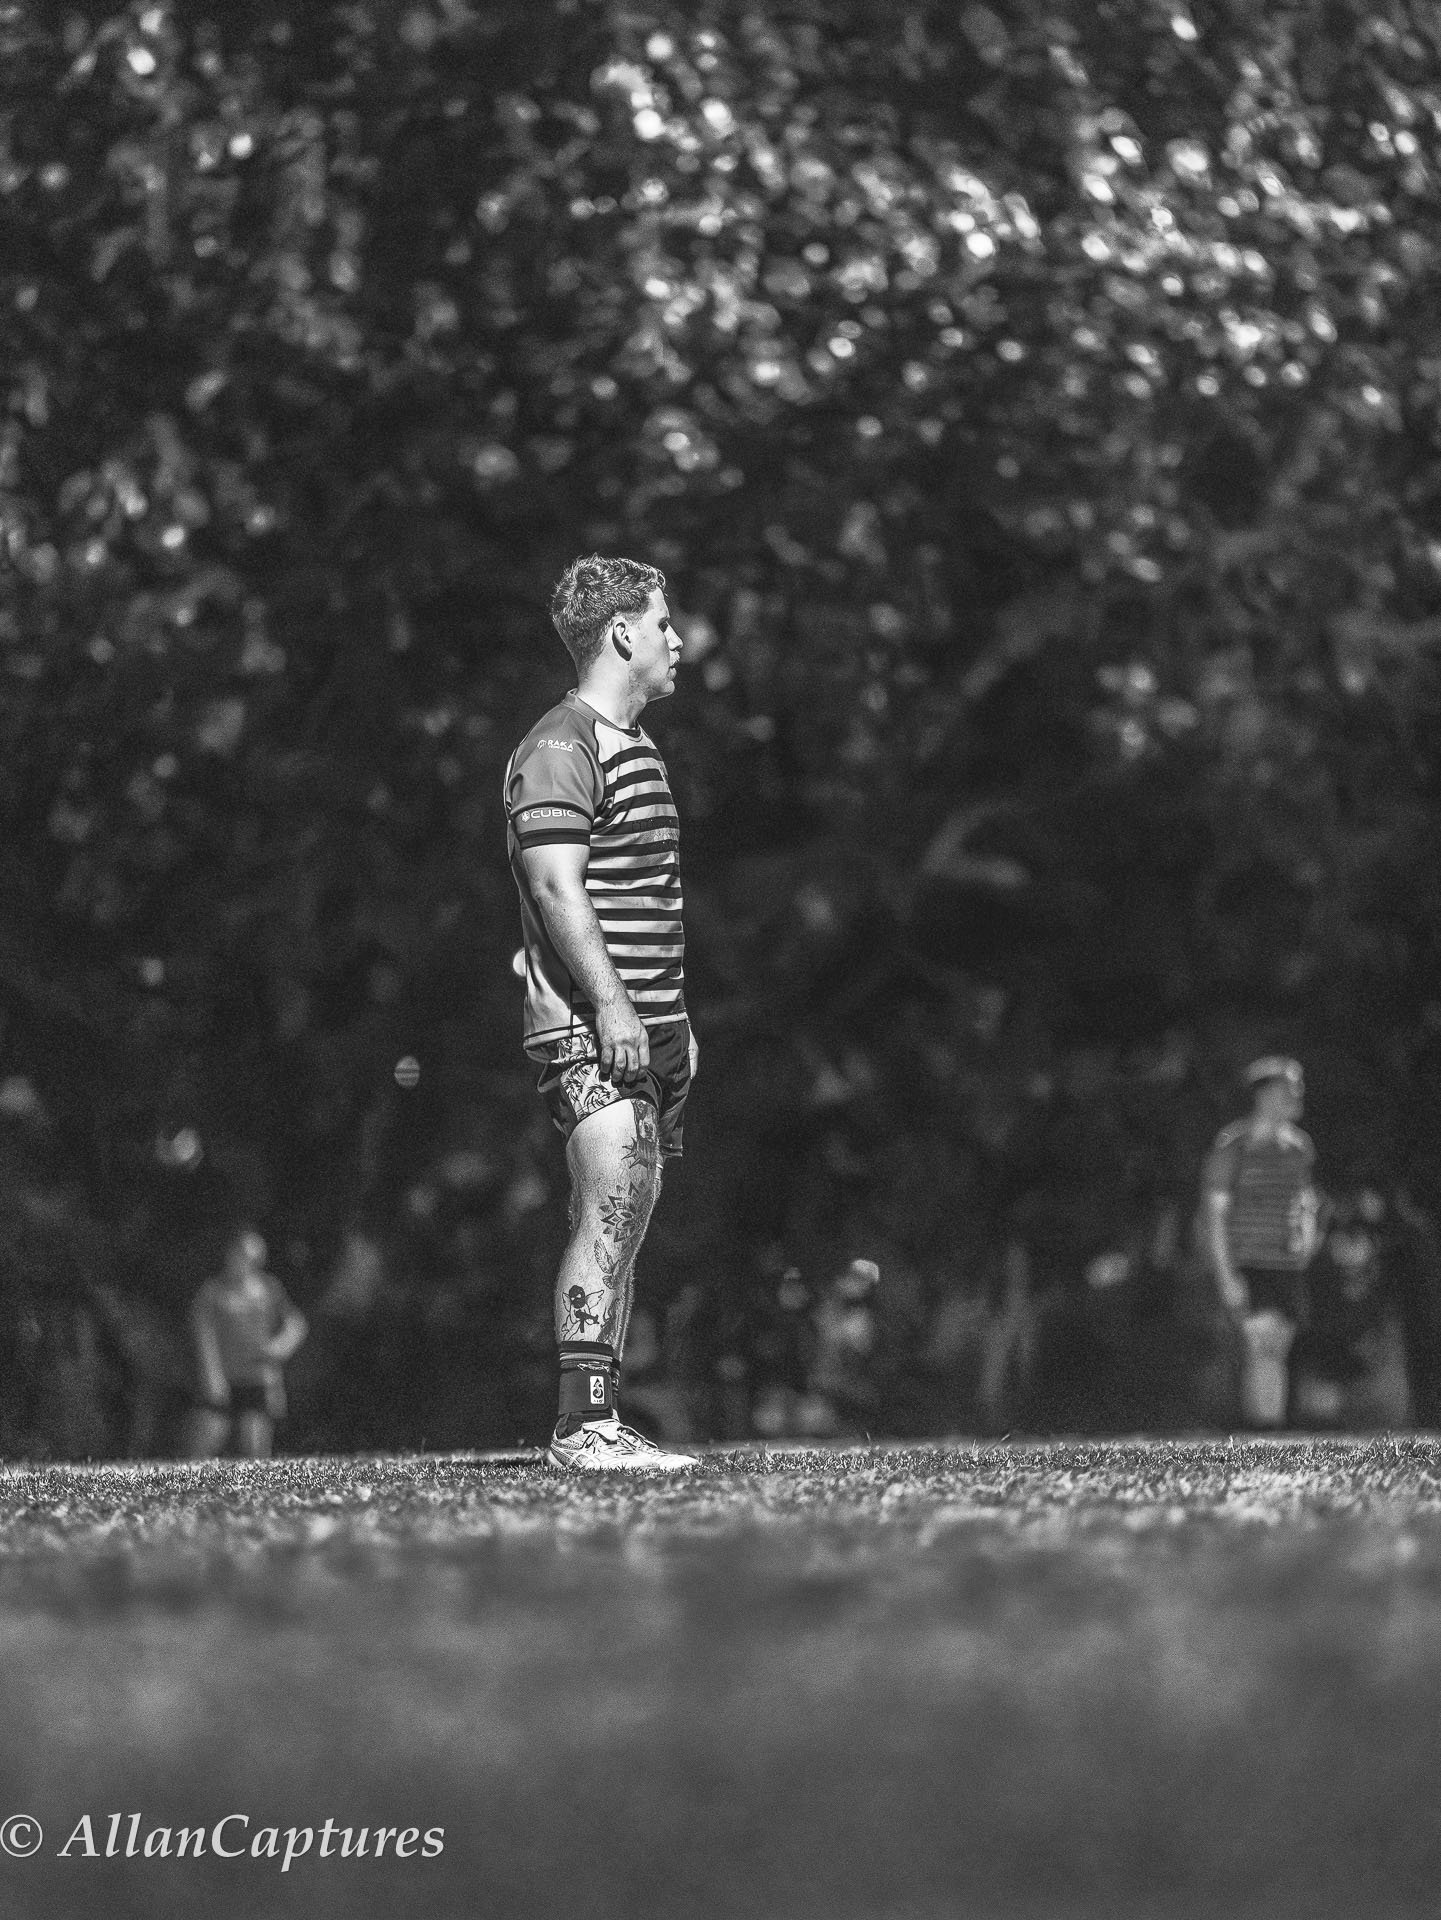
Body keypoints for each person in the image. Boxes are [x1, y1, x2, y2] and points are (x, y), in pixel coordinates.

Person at [505, 554, 698, 1472]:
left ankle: (600, 1419)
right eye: (664, 624)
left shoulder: (635, 748)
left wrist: (672, 1023)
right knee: (610, 1203)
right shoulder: (559, 744)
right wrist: (615, 1007)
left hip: (641, 1030)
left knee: (628, 1209)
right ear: (622, 632)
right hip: (588, 1026)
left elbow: (647, 900)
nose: (677, 640)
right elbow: (555, 888)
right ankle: (580, 1427)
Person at [1199, 1057, 1322, 1428]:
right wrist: (1226, 1276)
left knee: (1276, 1350)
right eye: (1290, 1088)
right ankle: (1266, 1431)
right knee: (1263, 1347)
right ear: (1265, 1095)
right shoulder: (1233, 1145)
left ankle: (1265, 1432)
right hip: (1247, 1262)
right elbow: (1214, 1214)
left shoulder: (1300, 1147)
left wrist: (1308, 1238)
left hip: (1287, 1265)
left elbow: (1305, 1200)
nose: (1298, 1095)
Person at [185, 1229, 308, 1459]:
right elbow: (204, 1336)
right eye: (240, 1254)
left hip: (259, 1377)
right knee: (205, 1439)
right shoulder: (213, 1292)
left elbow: (295, 1323)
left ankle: (259, 1492)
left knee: (254, 1447)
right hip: (225, 1376)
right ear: (230, 1255)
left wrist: (280, 1347)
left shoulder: (268, 1288)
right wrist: (211, 1374)